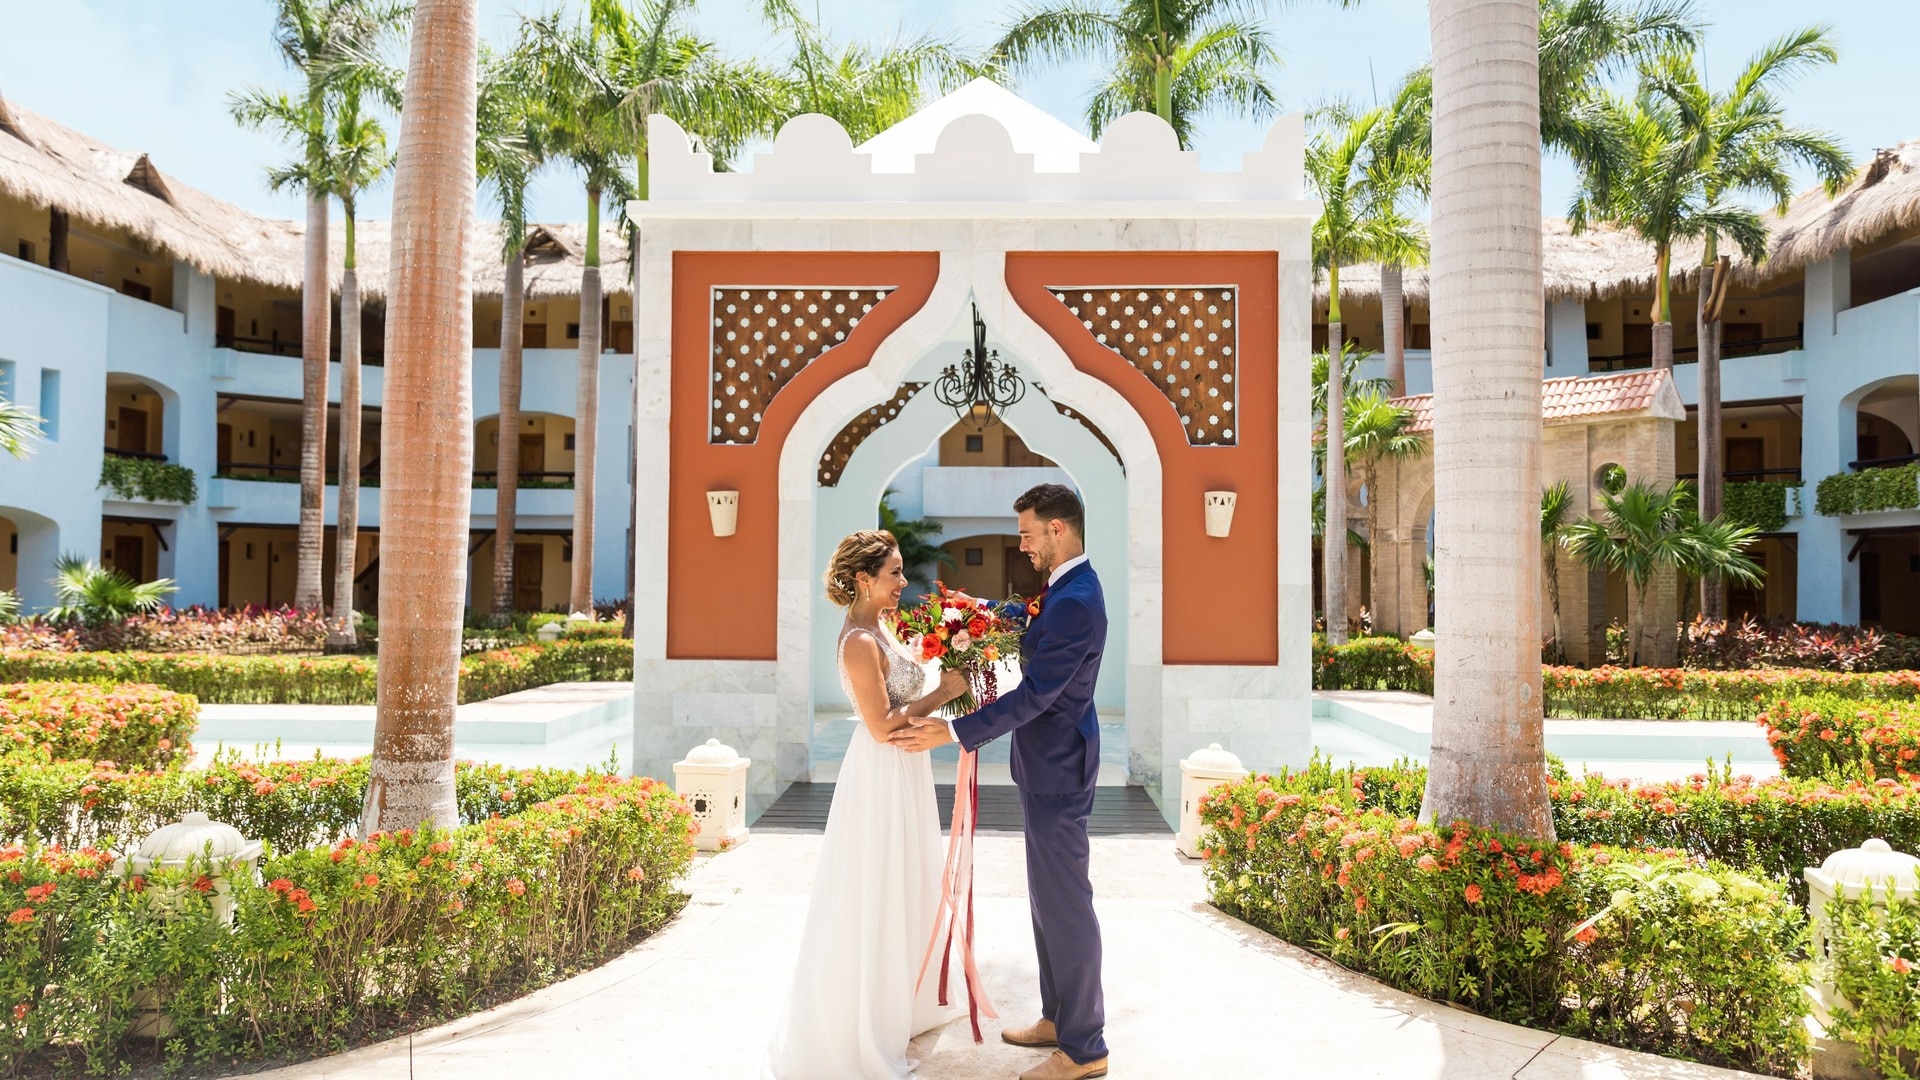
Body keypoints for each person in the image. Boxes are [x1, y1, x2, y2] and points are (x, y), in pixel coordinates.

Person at [890, 483, 1110, 1080]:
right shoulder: (1061, 591)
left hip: (1061, 768)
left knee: (1065, 904)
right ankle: (1059, 1018)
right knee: (1046, 898)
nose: (1023, 544)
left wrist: (958, 732)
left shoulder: (1077, 600)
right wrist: (972, 619)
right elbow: (1023, 626)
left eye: (1028, 533)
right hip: (1045, 767)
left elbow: (1039, 694)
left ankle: (1086, 1048)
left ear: (1058, 530)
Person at [760, 529, 971, 1079]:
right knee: (874, 884)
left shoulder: (885, 627)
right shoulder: (858, 640)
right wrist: (944, 693)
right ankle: (859, 1019)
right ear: (863, 578)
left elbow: (902, 698)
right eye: (894, 572)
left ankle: (907, 999)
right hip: (881, 769)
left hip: (907, 767)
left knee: (907, 877)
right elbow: (879, 726)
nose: (903, 581)